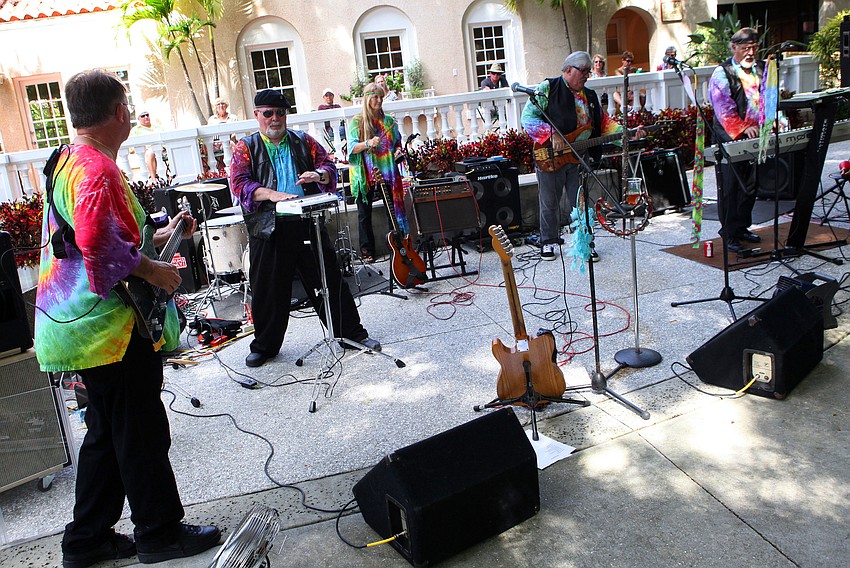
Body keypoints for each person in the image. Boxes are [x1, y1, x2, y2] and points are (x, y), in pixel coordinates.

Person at [34, 69, 219, 568]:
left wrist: (153, 239)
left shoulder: (67, 158)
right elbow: (98, 251)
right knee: (139, 431)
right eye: (129, 107)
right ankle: (159, 533)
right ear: (119, 112)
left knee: (107, 431)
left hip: (75, 325)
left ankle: (87, 540)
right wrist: (157, 271)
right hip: (106, 331)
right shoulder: (96, 169)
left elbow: (89, 239)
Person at [230, 89, 380, 368]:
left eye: (280, 113)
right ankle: (265, 346)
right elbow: (239, 185)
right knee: (269, 290)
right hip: (268, 227)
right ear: (257, 116)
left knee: (329, 279)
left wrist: (319, 174)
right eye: (268, 113)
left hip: (306, 221)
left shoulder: (302, 140)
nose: (275, 119)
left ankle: (351, 334)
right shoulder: (245, 147)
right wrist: (271, 194)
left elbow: (329, 166)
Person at [521, 51, 644, 262]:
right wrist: (551, 135)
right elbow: (528, 118)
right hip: (550, 157)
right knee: (549, 202)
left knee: (581, 203)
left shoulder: (590, 96)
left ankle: (585, 244)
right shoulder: (548, 88)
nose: (587, 75)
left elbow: (604, 124)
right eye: (583, 71)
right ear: (568, 69)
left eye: (589, 71)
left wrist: (628, 133)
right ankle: (548, 241)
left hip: (579, 158)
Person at [707, 27, 765, 252]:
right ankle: (729, 232)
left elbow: (767, 99)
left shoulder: (760, 69)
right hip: (730, 139)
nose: (750, 52)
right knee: (731, 188)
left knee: (751, 185)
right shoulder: (722, 73)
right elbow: (723, 109)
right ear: (734, 48)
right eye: (745, 48)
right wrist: (743, 128)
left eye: (753, 48)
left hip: (754, 136)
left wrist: (772, 121)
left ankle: (742, 227)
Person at [347, 83, 407, 263]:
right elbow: (351, 148)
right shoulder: (357, 121)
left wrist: (397, 151)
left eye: (381, 97)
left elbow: (397, 143)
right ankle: (367, 251)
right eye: (375, 96)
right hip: (365, 174)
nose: (379, 100)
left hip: (387, 172)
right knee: (364, 214)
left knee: (392, 211)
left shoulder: (389, 121)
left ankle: (397, 246)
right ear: (367, 99)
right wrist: (367, 143)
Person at [129, 108, 162, 178]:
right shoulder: (135, 130)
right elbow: (132, 147)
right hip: (145, 152)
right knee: (150, 153)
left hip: (161, 149)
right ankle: (153, 178)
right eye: (143, 116)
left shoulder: (157, 127)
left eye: (147, 115)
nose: (146, 117)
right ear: (138, 119)